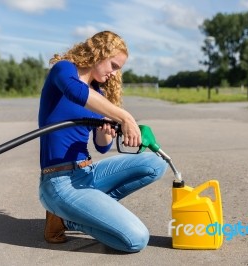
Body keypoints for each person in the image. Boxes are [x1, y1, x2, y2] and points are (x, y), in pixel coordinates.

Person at [38, 30, 168, 253]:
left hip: (86, 173)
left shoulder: (97, 93)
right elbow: (74, 91)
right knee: (136, 239)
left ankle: (81, 211)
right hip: (59, 182)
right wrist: (124, 116)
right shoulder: (64, 69)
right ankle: (67, 219)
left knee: (155, 163)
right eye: (114, 66)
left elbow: (102, 146)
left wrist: (106, 128)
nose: (114, 73)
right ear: (99, 54)